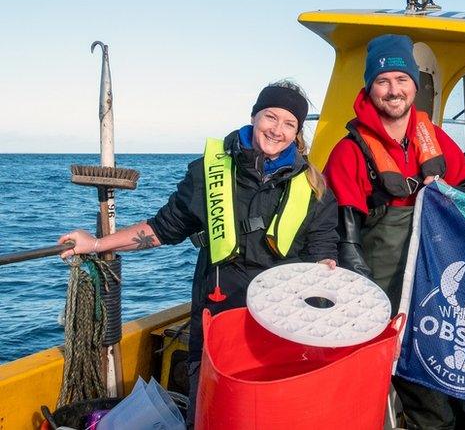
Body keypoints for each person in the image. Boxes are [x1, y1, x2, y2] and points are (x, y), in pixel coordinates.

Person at [59, 80, 340, 421]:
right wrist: (98, 243)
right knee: (210, 413)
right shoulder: (210, 172)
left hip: (281, 329)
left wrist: (328, 270)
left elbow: (324, 253)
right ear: (254, 116)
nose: (277, 130)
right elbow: (162, 229)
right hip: (218, 320)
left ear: (297, 132)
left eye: (289, 123)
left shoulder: (314, 186)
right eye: (270, 117)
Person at [324, 34, 465, 430]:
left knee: (435, 406)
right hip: (375, 299)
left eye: (401, 79)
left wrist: (449, 200)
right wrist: (365, 308)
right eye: (383, 81)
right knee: (361, 402)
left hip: (431, 297)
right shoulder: (349, 151)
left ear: (415, 85)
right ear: (369, 87)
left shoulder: (439, 143)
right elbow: (342, 234)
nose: (394, 91)